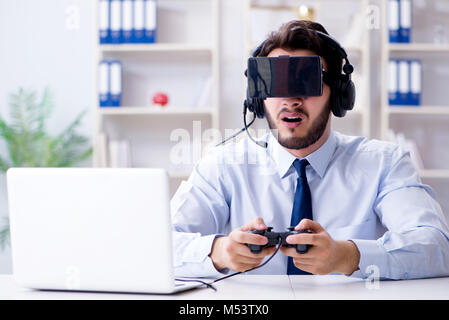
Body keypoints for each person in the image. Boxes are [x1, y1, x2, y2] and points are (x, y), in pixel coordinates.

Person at [171, 20, 449, 279]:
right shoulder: (222, 165)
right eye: (276, 83)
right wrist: (217, 252)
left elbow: (437, 247)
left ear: (338, 96)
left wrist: (349, 256)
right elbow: (156, 244)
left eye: (305, 81)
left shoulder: (384, 163)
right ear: (257, 99)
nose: (290, 100)